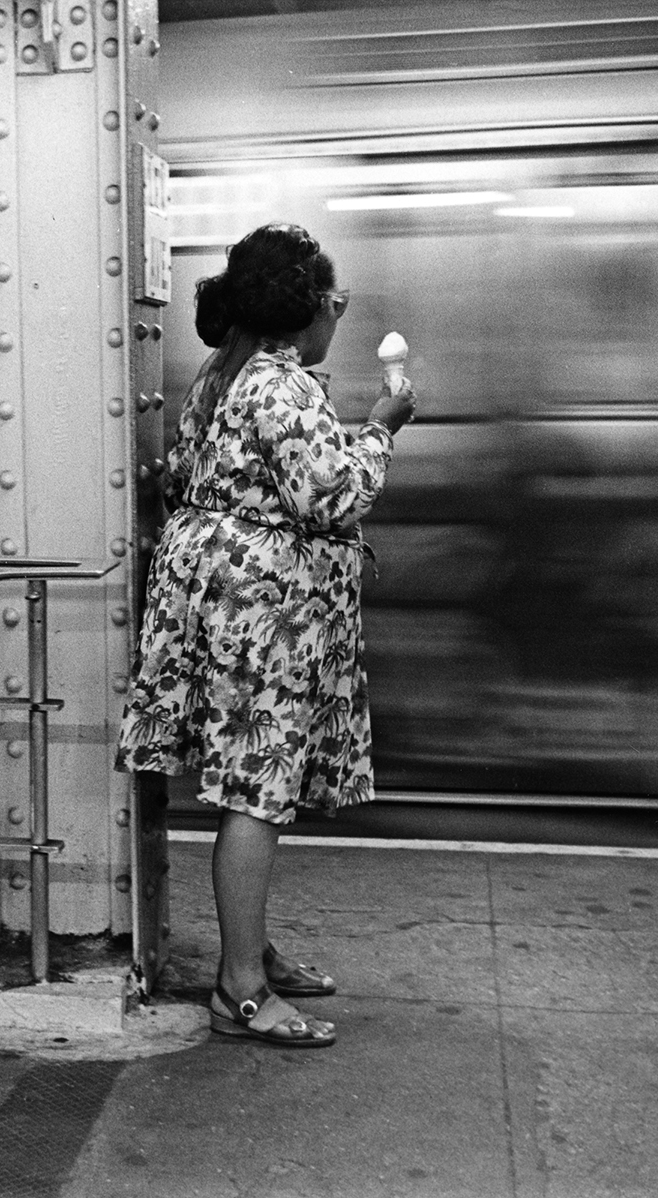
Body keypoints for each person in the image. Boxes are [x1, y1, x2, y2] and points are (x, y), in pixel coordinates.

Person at [118, 223, 417, 1047]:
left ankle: (253, 951)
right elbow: (333, 496)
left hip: (224, 596)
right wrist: (384, 425)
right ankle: (241, 988)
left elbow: (185, 475)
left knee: (255, 786)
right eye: (336, 302)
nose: (339, 317)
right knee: (258, 790)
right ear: (308, 308)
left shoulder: (224, 374)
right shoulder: (283, 386)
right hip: (262, 611)